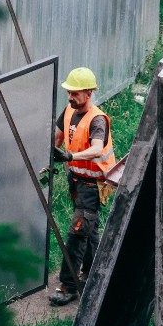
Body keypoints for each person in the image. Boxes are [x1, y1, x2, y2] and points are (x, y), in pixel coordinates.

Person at [48, 67, 115, 306]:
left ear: (88, 93)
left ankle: (68, 286)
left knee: (77, 231)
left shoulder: (97, 119)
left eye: (75, 93)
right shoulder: (68, 110)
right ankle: (96, 273)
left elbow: (97, 149)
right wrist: (51, 158)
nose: (70, 97)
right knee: (89, 230)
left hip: (94, 185)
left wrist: (70, 156)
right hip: (77, 181)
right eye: (69, 92)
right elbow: (57, 137)